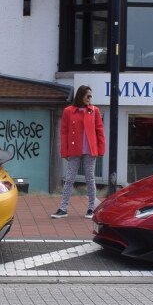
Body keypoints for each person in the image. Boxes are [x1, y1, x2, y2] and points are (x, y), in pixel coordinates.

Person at [52, 85, 106, 219]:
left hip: (90, 150)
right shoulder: (68, 111)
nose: (90, 98)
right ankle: (63, 208)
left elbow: (100, 131)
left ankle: (91, 208)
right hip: (74, 149)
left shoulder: (94, 111)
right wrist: (64, 151)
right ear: (81, 95)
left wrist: (101, 150)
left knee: (90, 179)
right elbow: (64, 132)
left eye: (90, 96)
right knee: (69, 178)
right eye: (88, 95)